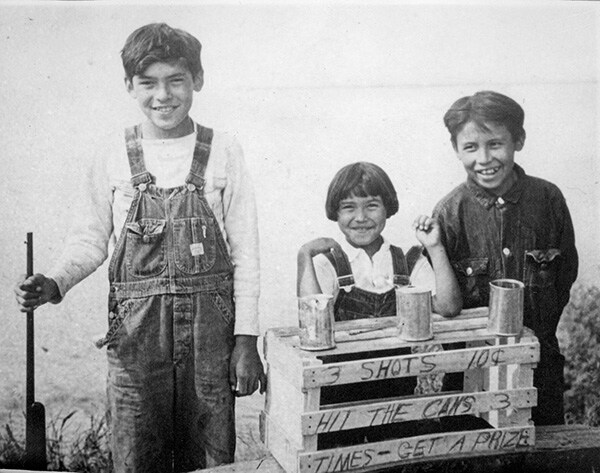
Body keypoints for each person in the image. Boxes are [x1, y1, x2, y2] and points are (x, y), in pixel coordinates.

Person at [14, 23, 266, 472]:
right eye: (148, 83)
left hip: (210, 344)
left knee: (210, 458)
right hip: (135, 343)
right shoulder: (112, 152)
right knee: (136, 457)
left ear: (198, 81)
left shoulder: (224, 150)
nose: (163, 95)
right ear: (129, 85)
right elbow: (90, 239)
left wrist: (245, 342)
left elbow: (246, 253)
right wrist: (55, 282)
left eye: (176, 81)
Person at [434, 90, 578, 425]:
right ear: (456, 149)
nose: (484, 158)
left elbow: (564, 278)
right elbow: (445, 302)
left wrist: (532, 337)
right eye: (470, 147)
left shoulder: (548, 200)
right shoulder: (448, 213)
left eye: (495, 144)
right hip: (469, 379)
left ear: (519, 140)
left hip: (539, 373)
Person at [296, 161, 462, 446]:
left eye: (372, 205)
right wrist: (304, 257)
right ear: (335, 212)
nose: (360, 217)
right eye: (349, 207)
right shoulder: (329, 263)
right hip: (338, 399)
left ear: (388, 208)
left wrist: (434, 247)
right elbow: (313, 319)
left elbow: (448, 306)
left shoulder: (406, 261)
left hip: (395, 396)